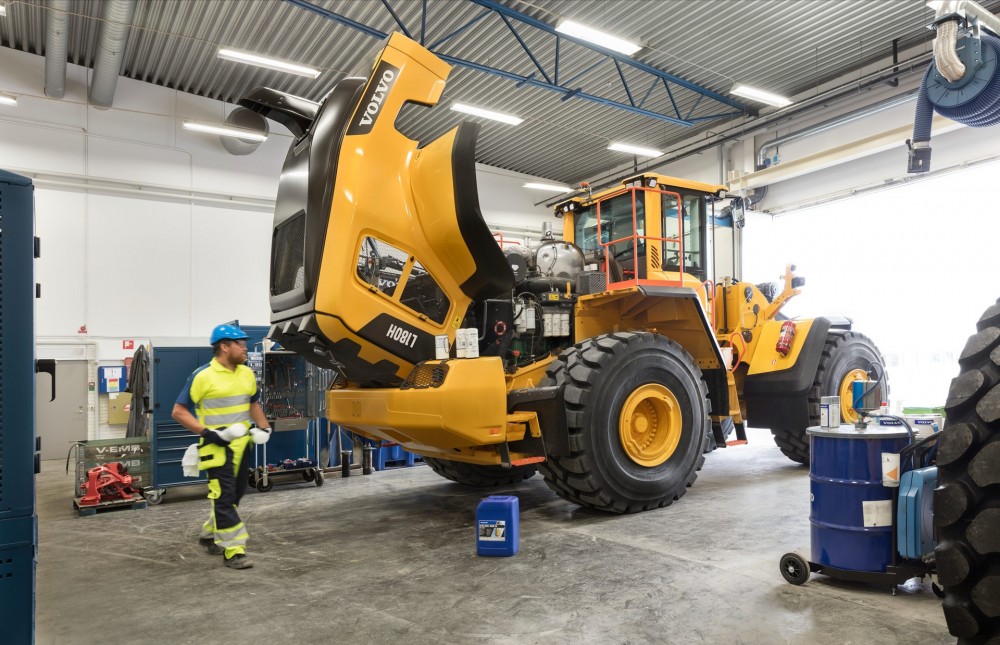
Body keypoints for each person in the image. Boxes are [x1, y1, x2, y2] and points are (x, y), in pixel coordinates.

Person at [171, 323, 272, 569]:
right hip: (216, 449)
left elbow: (253, 404)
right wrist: (207, 433)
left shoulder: (246, 373)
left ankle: (208, 534)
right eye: (240, 343)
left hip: (243, 446)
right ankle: (234, 551)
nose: (245, 348)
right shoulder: (203, 376)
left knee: (233, 497)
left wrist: (264, 427)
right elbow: (179, 411)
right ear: (224, 347)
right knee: (225, 497)